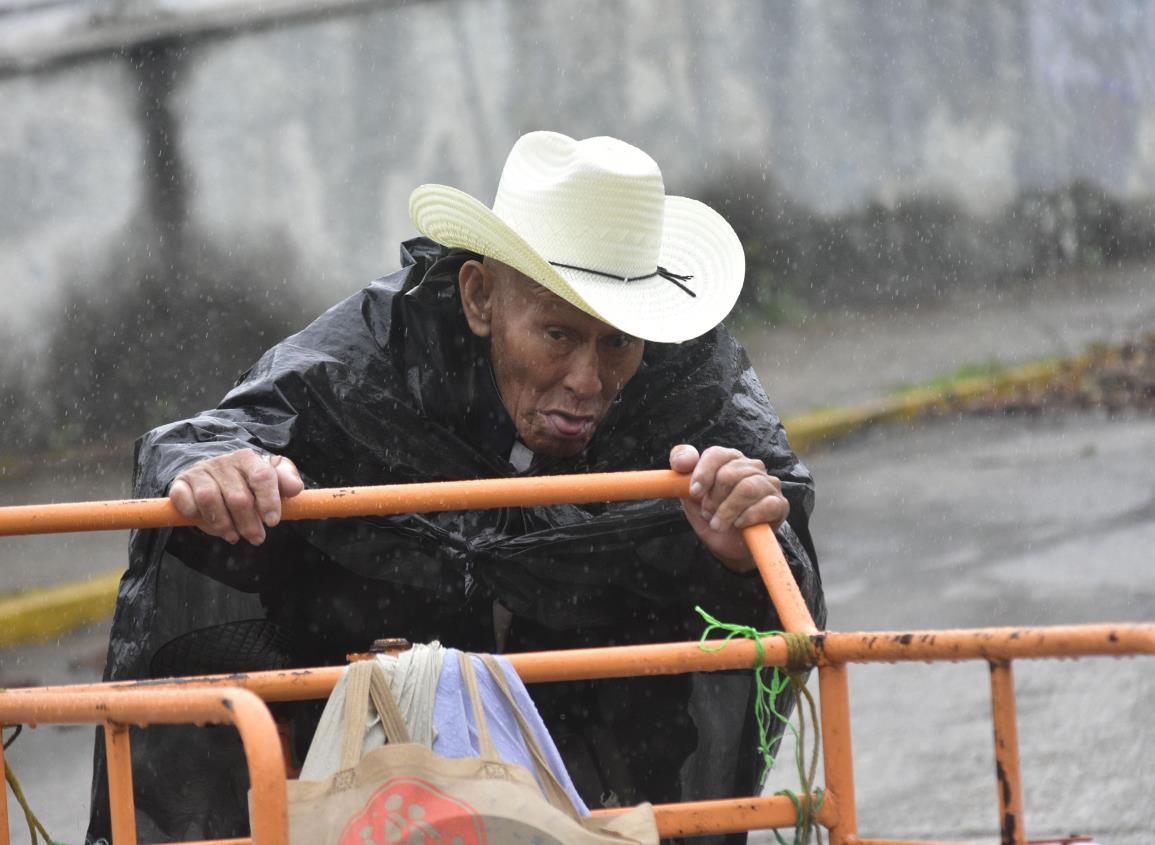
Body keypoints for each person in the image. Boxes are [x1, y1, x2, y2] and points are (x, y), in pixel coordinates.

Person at [87, 131, 825, 844]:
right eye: (558, 334)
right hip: (372, 771)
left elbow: (781, 566)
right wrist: (221, 466)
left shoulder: (682, 369)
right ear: (479, 297)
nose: (587, 380)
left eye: (615, 343)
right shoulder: (373, 349)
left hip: (616, 760)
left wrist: (739, 549)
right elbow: (217, 436)